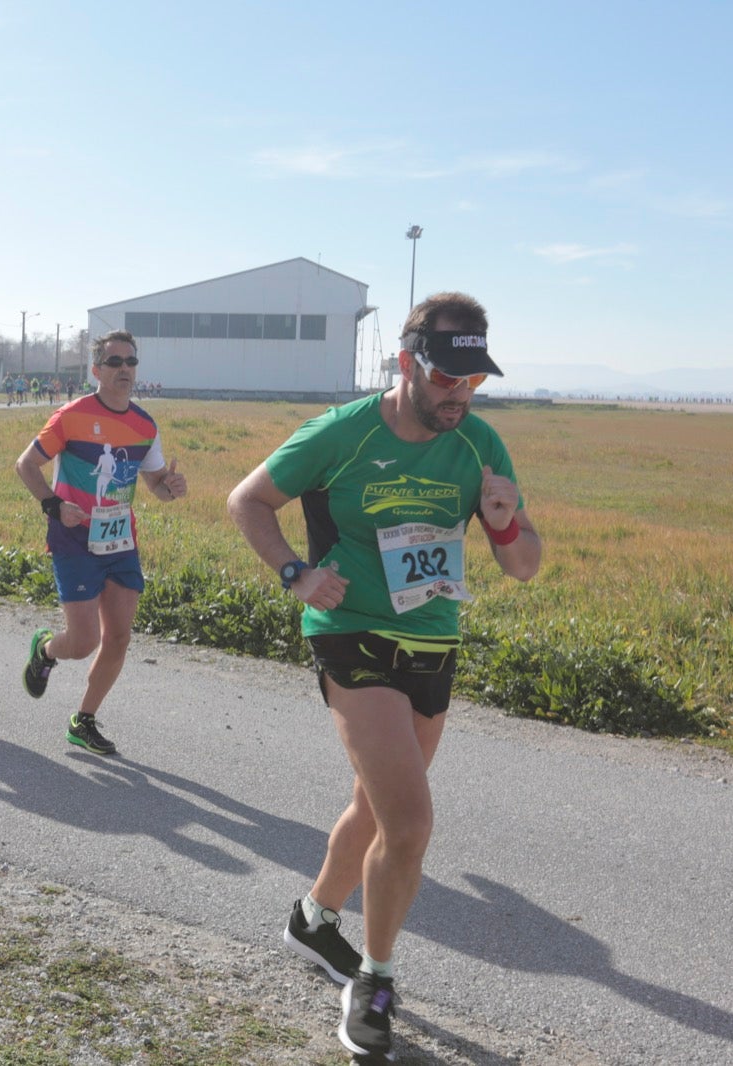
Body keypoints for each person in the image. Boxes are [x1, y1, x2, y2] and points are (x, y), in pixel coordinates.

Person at [226, 292, 542, 1061]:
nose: (458, 395)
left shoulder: (480, 445)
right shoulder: (344, 431)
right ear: (407, 364)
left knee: (374, 806)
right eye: (445, 378)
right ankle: (374, 981)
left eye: (472, 382)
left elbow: (525, 565)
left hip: (433, 641)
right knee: (410, 823)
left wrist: (503, 521)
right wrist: (296, 573)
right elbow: (249, 500)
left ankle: (312, 916)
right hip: (351, 634)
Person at [14, 330, 187, 755]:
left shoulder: (145, 424)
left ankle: (83, 719)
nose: (125, 369)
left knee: (119, 638)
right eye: (115, 362)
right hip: (74, 538)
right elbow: (26, 465)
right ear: (96, 370)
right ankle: (46, 649)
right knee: (84, 640)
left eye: (131, 361)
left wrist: (172, 488)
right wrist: (54, 506)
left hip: (119, 539)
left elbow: (155, 487)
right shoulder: (70, 416)